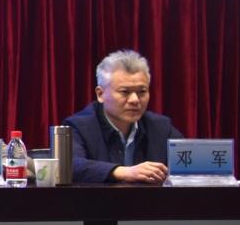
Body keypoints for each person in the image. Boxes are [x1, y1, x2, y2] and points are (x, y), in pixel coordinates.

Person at [64, 49, 183, 184]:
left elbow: (188, 165)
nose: (135, 100)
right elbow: (70, 166)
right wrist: (122, 172)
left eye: (142, 92)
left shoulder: (162, 128)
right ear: (100, 94)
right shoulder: (78, 127)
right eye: (125, 92)